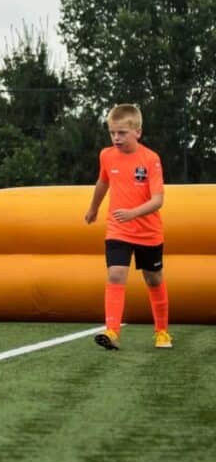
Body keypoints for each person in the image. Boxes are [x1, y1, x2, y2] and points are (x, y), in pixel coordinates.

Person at [84, 104, 171, 351]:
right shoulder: (106, 155)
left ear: (138, 132)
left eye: (122, 133)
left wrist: (133, 213)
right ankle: (112, 331)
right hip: (118, 229)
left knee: (153, 279)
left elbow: (158, 200)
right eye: (112, 133)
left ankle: (162, 332)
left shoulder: (151, 159)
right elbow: (103, 182)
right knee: (115, 273)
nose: (116, 138)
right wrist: (94, 208)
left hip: (148, 232)